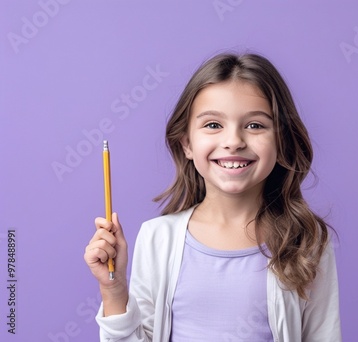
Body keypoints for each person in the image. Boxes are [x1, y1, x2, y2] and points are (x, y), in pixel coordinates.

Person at [84, 52, 342, 341]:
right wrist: (114, 289)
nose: (233, 141)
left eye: (255, 125)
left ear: (281, 142)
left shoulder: (305, 239)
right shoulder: (157, 238)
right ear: (187, 144)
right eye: (213, 125)